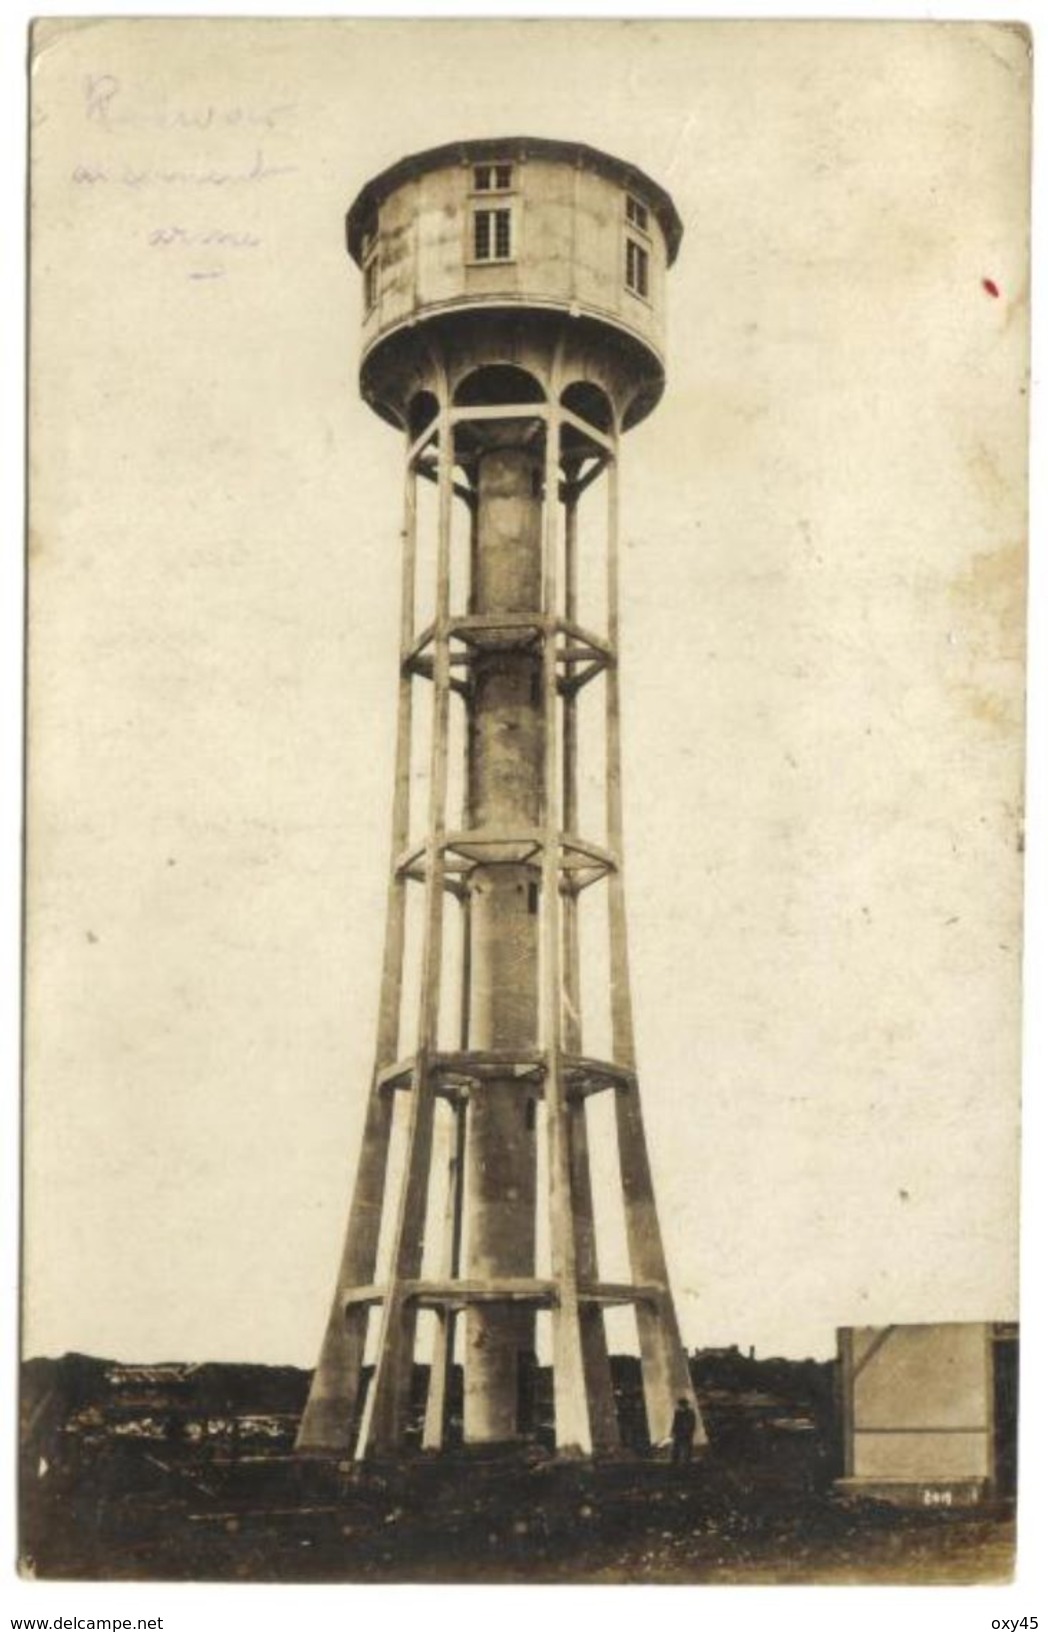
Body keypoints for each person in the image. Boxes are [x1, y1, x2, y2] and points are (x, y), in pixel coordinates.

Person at [670, 1396, 697, 1466]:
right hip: (679, 1433)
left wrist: (689, 1432)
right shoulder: (678, 1413)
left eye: (682, 1405)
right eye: (680, 1405)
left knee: (687, 1447)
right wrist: (672, 1431)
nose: (681, 1406)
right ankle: (674, 1461)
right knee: (676, 1447)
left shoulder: (690, 1413)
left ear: (685, 1405)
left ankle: (687, 1461)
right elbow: (675, 1423)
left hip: (687, 1433)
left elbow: (692, 1424)